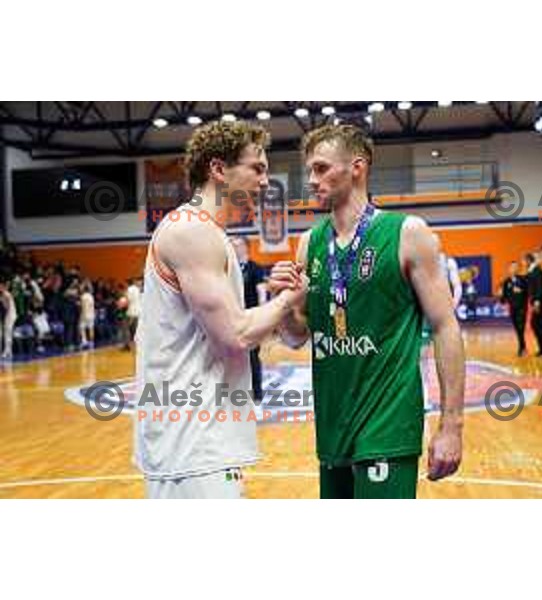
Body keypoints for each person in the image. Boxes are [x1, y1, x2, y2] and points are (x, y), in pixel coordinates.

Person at [269, 124, 465, 499]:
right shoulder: (308, 243)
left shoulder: (408, 233)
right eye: (309, 170)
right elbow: (297, 337)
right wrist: (285, 306)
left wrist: (452, 425)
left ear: (357, 168)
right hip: (331, 425)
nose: (311, 180)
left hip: (388, 424)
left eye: (322, 168)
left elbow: (445, 327)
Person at [135, 120, 307, 499]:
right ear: (218, 169)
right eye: (256, 169)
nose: (265, 182)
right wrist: (287, 300)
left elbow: (257, 330)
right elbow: (237, 334)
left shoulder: (210, 233)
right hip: (190, 439)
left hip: (205, 435)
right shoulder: (190, 231)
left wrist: (282, 304)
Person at [231, 236, 268, 403]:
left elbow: (261, 292)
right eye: (232, 246)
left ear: (246, 247)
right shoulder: (228, 271)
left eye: (237, 245)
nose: (234, 248)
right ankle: (236, 394)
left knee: (252, 357)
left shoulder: (255, 268)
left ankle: (257, 395)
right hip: (231, 319)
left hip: (250, 318)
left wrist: (261, 314)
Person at [501, 261, 528, 356]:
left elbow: (528, 292)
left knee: (521, 327)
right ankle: (523, 345)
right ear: (509, 269)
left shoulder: (523, 280)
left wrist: (521, 291)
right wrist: (502, 302)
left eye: (516, 267)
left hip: (522, 307)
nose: (514, 269)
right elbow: (504, 296)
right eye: (512, 267)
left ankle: (521, 348)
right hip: (512, 308)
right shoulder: (506, 282)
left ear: (518, 269)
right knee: (517, 329)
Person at [525, 253, 542, 356]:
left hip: (540, 303)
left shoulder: (537, 271)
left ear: (528, 260)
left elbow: (539, 287)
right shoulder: (531, 271)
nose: (523, 263)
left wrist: (537, 302)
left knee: (536, 325)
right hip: (536, 302)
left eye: (524, 261)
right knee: (537, 325)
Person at [0, 281, 17, 360]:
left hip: (10, 315)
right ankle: (9, 352)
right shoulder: (5, 294)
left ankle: (7, 352)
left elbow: (7, 307)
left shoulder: (6, 294)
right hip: (10, 315)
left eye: (0, 287)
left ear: (3, 287)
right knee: (8, 333)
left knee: (7, 333)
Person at [125, 278, 141, 351]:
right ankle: (137, 345)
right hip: (138, 312)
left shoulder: (129, 289)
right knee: (136, 330)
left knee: (127, 329)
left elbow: (128, 300)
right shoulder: (138, 289)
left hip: (131, 312)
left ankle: (128, 345)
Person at [79, 282, 96, 349]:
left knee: (82, 328)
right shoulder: (91, 296)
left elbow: (83, 306)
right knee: (91, 328)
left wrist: (82, 314)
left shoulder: (83, 296)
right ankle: (92, 343)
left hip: (85, 314)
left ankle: (84, 341)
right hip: (91, 314)